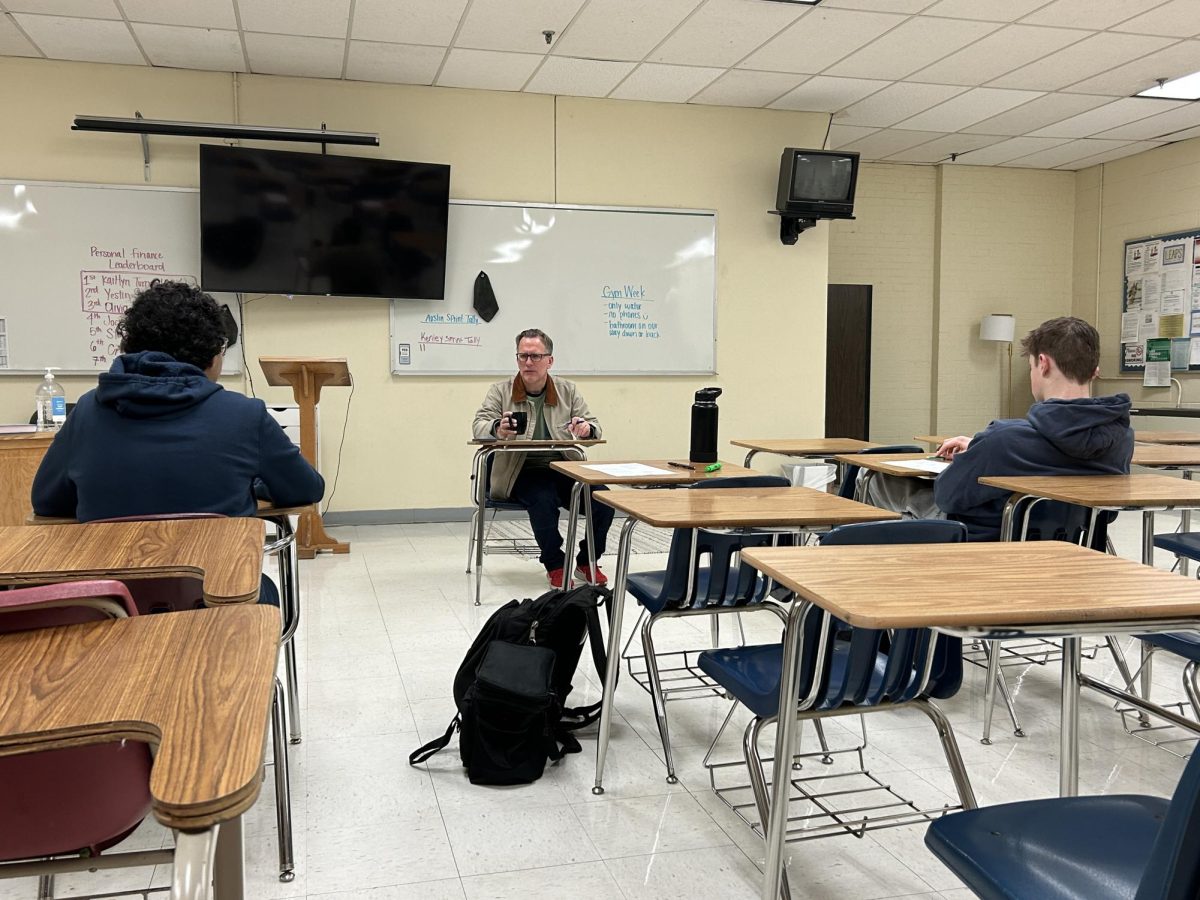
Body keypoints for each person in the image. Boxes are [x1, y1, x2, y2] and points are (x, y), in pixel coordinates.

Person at [31, 280, 325, 604]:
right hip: (219, 606)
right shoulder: (244, 415)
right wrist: (254, 485)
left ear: (129, 347)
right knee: (261, 590)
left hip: (112, 610)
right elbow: (307, 489)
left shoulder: (86, 412)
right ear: (214, 356)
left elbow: (46, 502)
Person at [863, 316, 1133, 541]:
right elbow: (1109, 511)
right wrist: (979, 448)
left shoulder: (1005, 439)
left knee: (873, 479)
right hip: (1074, 548)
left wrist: (983, 448)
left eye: (1030, 367)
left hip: (983, 543)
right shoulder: (1121, 437)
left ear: (1043, 363)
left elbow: (948, 496)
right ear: (1094, 371)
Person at [472, 328, 615, 587]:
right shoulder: (500, 391)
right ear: (516, 359)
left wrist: (586, 429)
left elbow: (594, 428)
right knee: (543, 499)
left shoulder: (567, 390)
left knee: (603, 501)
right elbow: (478, 425)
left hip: (564, 468)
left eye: (535, 356)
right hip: (519, 470)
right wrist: (497, 428)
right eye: (523, 356)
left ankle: (586, 562)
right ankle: (555, 565)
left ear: (550, 360)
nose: (528, 362)